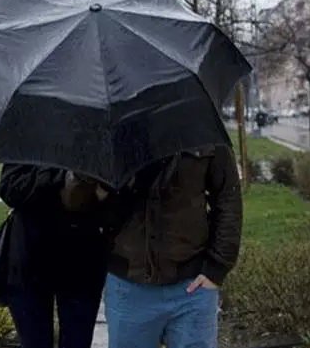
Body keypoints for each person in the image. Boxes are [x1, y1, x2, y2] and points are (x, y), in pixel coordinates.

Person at [101, 144, 243, 348]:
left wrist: (216, 268)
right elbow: (94, 208)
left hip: (192, 288)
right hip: (129, 286)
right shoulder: (115, 127)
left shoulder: (203, 125)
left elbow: (227, 197)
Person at [0, 163, 108, 348]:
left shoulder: (97, 140)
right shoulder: (29, 136)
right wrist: (59, 178)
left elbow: (117, 198)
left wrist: (101, 193)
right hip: (31, 262)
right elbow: (9, 187)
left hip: (83, 263)